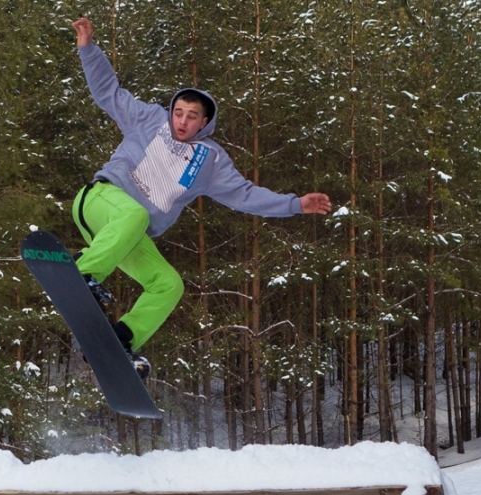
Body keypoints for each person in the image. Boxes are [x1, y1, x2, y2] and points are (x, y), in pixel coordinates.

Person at [70, 17, 331, 378]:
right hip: (100, 201)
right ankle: (82, 274)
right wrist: (88, 48)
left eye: (192, 117)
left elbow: (244, 195)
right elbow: (108, 93)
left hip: (126, 237)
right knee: (135, 216)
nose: (182, 122)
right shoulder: (148, 119)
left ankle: (119, 340)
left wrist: (294, 204)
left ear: (204, 122)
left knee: (168, 284)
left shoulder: (210, 160)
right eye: (179, 113)